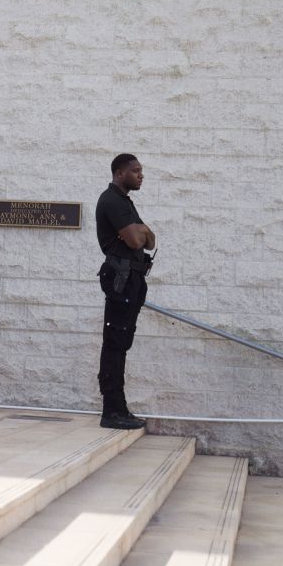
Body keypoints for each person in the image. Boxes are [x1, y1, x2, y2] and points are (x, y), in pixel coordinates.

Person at [94, 153, 155, 430]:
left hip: (132, 277)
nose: (141, 175)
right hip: (121, 277)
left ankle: (119, 408)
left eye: (141, 170)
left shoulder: (125, 202)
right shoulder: (112, 201)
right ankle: (111, 410)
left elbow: (149, 241)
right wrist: (140, 231)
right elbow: (135, 239)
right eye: (135, 171)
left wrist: (144, 229)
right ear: (120, 173)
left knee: (122, 343)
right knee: (115, 343)